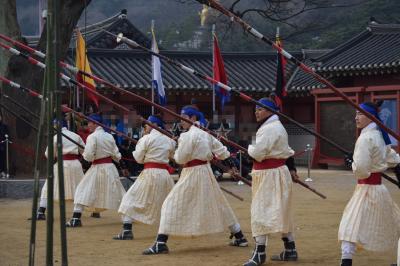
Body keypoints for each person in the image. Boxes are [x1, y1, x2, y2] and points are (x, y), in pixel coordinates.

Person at [143, 105, 248, 255]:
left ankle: (161, 242)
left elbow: (180, 158)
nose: (181, 121)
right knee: (219, 204)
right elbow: (223, 152)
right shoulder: (206, 133)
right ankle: (240, 236)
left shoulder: (187, 136)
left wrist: (179, 144)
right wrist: (230, 165)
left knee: (170, 204)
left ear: (193, 118)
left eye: (184, 117)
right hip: (205, 172)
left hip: (192, 173)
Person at [338, 102, 400, 266]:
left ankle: (346, 262)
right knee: (393, 223)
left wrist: (352, 163)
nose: (356, 117)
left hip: (366, 189)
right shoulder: (380, 135)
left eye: (360, 114)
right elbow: (392, 158)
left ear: (370, 116)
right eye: (356, 113)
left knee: (349, 227)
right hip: (379, 189)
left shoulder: (365, 138)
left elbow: (362, 171)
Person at [243, 97, 299, 266]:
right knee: (282, 211)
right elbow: (286, 151)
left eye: (260, 109)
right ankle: (290, 249)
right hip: (276, 173)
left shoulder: (269, 129)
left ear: (269, 111)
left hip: (269, 175)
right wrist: (292, 168)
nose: (256, 112)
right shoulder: (276, 127)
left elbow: (257, 153)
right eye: (255, 109)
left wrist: (247, 147)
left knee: (261, 211)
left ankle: (259, 253)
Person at [113, 115, 176, 240]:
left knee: (129, 200)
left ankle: (127, 231)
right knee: (169, 203)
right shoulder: (170, 140)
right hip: (164, 175)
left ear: (154, 125)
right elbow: (172, 156)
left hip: (149, 173)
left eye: (147, 125)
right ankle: (169, 230)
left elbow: (138, 159)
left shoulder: (146, 139)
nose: (145, 128)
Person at [66, 114, 126, 227]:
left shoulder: (92, 137)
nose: (88, 125)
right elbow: (116, 155)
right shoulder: (109, 136)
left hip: (97, 167)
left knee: (82, 190)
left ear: (95, 124)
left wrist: (85, 160)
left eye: (89, 123)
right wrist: (122, 166)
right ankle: (128, 221)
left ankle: (76, 219)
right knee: (118, 193)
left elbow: (88, 156)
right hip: (110, 168)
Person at [37, 119, 85, 220]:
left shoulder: (55, 137)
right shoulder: (76, 136)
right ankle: (77, 215)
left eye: (54, 125)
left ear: (57, 125)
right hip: (76, 165)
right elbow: (84, 151)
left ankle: (41, 211)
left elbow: (48, 154)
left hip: (61, 165)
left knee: (48, 187)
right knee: (80, 188)